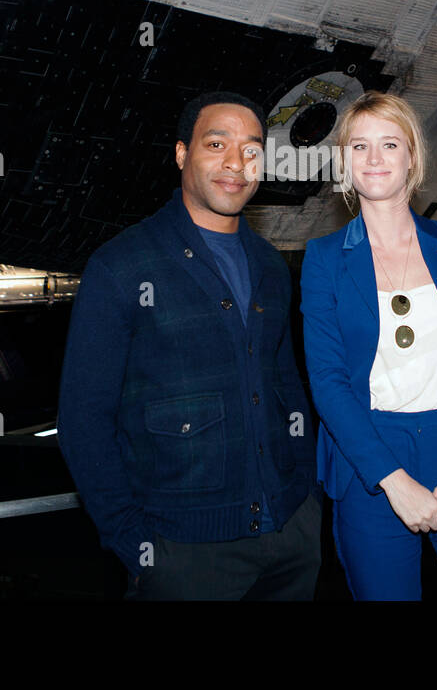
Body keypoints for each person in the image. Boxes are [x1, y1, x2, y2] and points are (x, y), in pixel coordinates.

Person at [57, 91, 321, 599]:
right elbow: (83, 419)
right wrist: (134, 544)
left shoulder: (270, 264)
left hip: (290, 537)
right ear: (182, 154)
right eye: (216, 144)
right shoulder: (121, 266)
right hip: (183, 554)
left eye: (251, 150)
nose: (235, 164)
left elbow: (287, 386)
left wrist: (307, 498)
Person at [300, 91, 437, 600]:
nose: (374, 159)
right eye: (358, 147)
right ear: (344, 163)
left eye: (389, 144)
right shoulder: (324, 259)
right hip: (371, 465)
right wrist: (392, 481)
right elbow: (328, 382)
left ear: (413, 157)